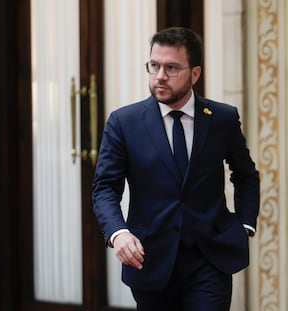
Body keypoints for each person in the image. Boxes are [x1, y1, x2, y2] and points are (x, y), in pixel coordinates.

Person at [92, 26, 260, 311]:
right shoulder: (124, 123)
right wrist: (118, 232)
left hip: (210, 258)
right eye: (154, 65)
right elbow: (105, 187)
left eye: (171, 68)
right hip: (149, 259)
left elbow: (245, 175)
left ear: (195, 73)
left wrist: (244, 225)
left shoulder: (222, 118)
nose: (160, 76)